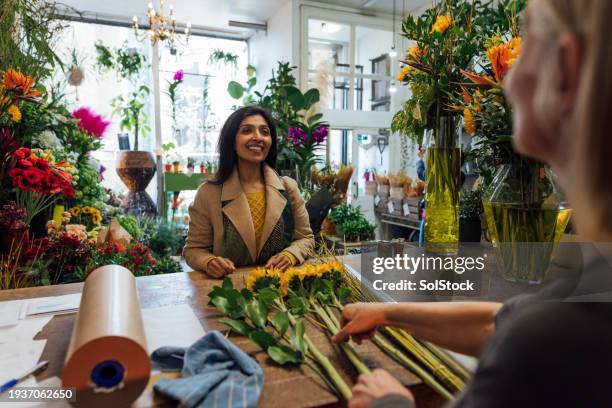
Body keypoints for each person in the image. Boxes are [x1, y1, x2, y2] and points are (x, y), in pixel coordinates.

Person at [332, 0, 612, 407]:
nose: (507, 83)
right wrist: (390, 313)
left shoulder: (554, 340)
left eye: (527, 42)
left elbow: (527, 332)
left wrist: (389, 403)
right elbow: (498, 321)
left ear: (566, 72)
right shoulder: (589, 291)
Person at [183, 106, 314, 278]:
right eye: (247, 130)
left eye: (265, 132)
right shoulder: (209, 193)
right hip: (229, 292)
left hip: (281, 289)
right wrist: (209, 262)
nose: (258, 137)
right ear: (232, 141)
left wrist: (290, 255)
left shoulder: (288, 188)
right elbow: (194, 249)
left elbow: (306, 238)